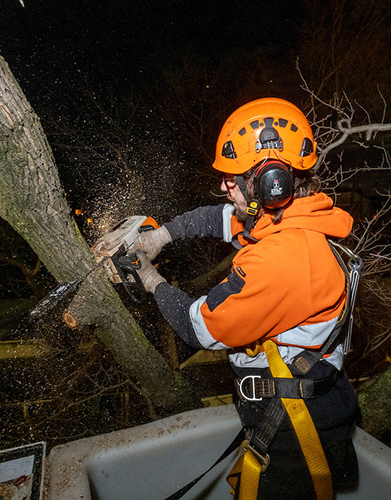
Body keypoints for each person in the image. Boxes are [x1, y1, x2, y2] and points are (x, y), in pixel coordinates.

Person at [133, 97, 359, 500]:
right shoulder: (291, 218)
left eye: (233, 178)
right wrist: (161, 236)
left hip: (296, 429)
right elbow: (217, 218)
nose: (224, 185)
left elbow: (197, 326)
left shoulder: (281, 259)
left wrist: (150, 279)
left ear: (271, 181)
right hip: (294, 409)